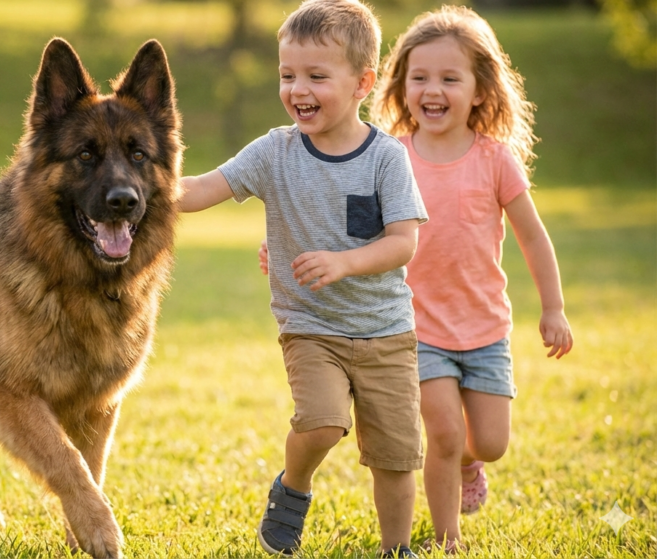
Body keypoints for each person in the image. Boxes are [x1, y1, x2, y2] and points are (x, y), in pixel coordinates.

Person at [262, 5, 575, 553]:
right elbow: (340, 219)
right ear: (399, 84)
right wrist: (288, 245)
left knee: (490, 443)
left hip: (483, 328)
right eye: (419, 77)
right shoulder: (388, 154)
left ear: (480, 90)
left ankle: (469, 466)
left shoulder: (495, 161)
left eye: (449, 78)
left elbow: (533, 238)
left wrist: (553, 308)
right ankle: (446, 538)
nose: (432, 89)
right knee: (443, 437)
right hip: (410, 327)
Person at [179, 0, 428, 556]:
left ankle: (397, 548)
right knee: (320, 423)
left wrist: (343, 262)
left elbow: (403, 241)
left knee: (395, 454)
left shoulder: (386, 159)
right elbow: (202, 189)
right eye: (287, 75)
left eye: (317, 76)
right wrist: (141, 186)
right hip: (311, 324)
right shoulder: (275, 152)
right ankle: (293, 486)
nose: (298, 89)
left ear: (363, 82)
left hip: (386, 331)